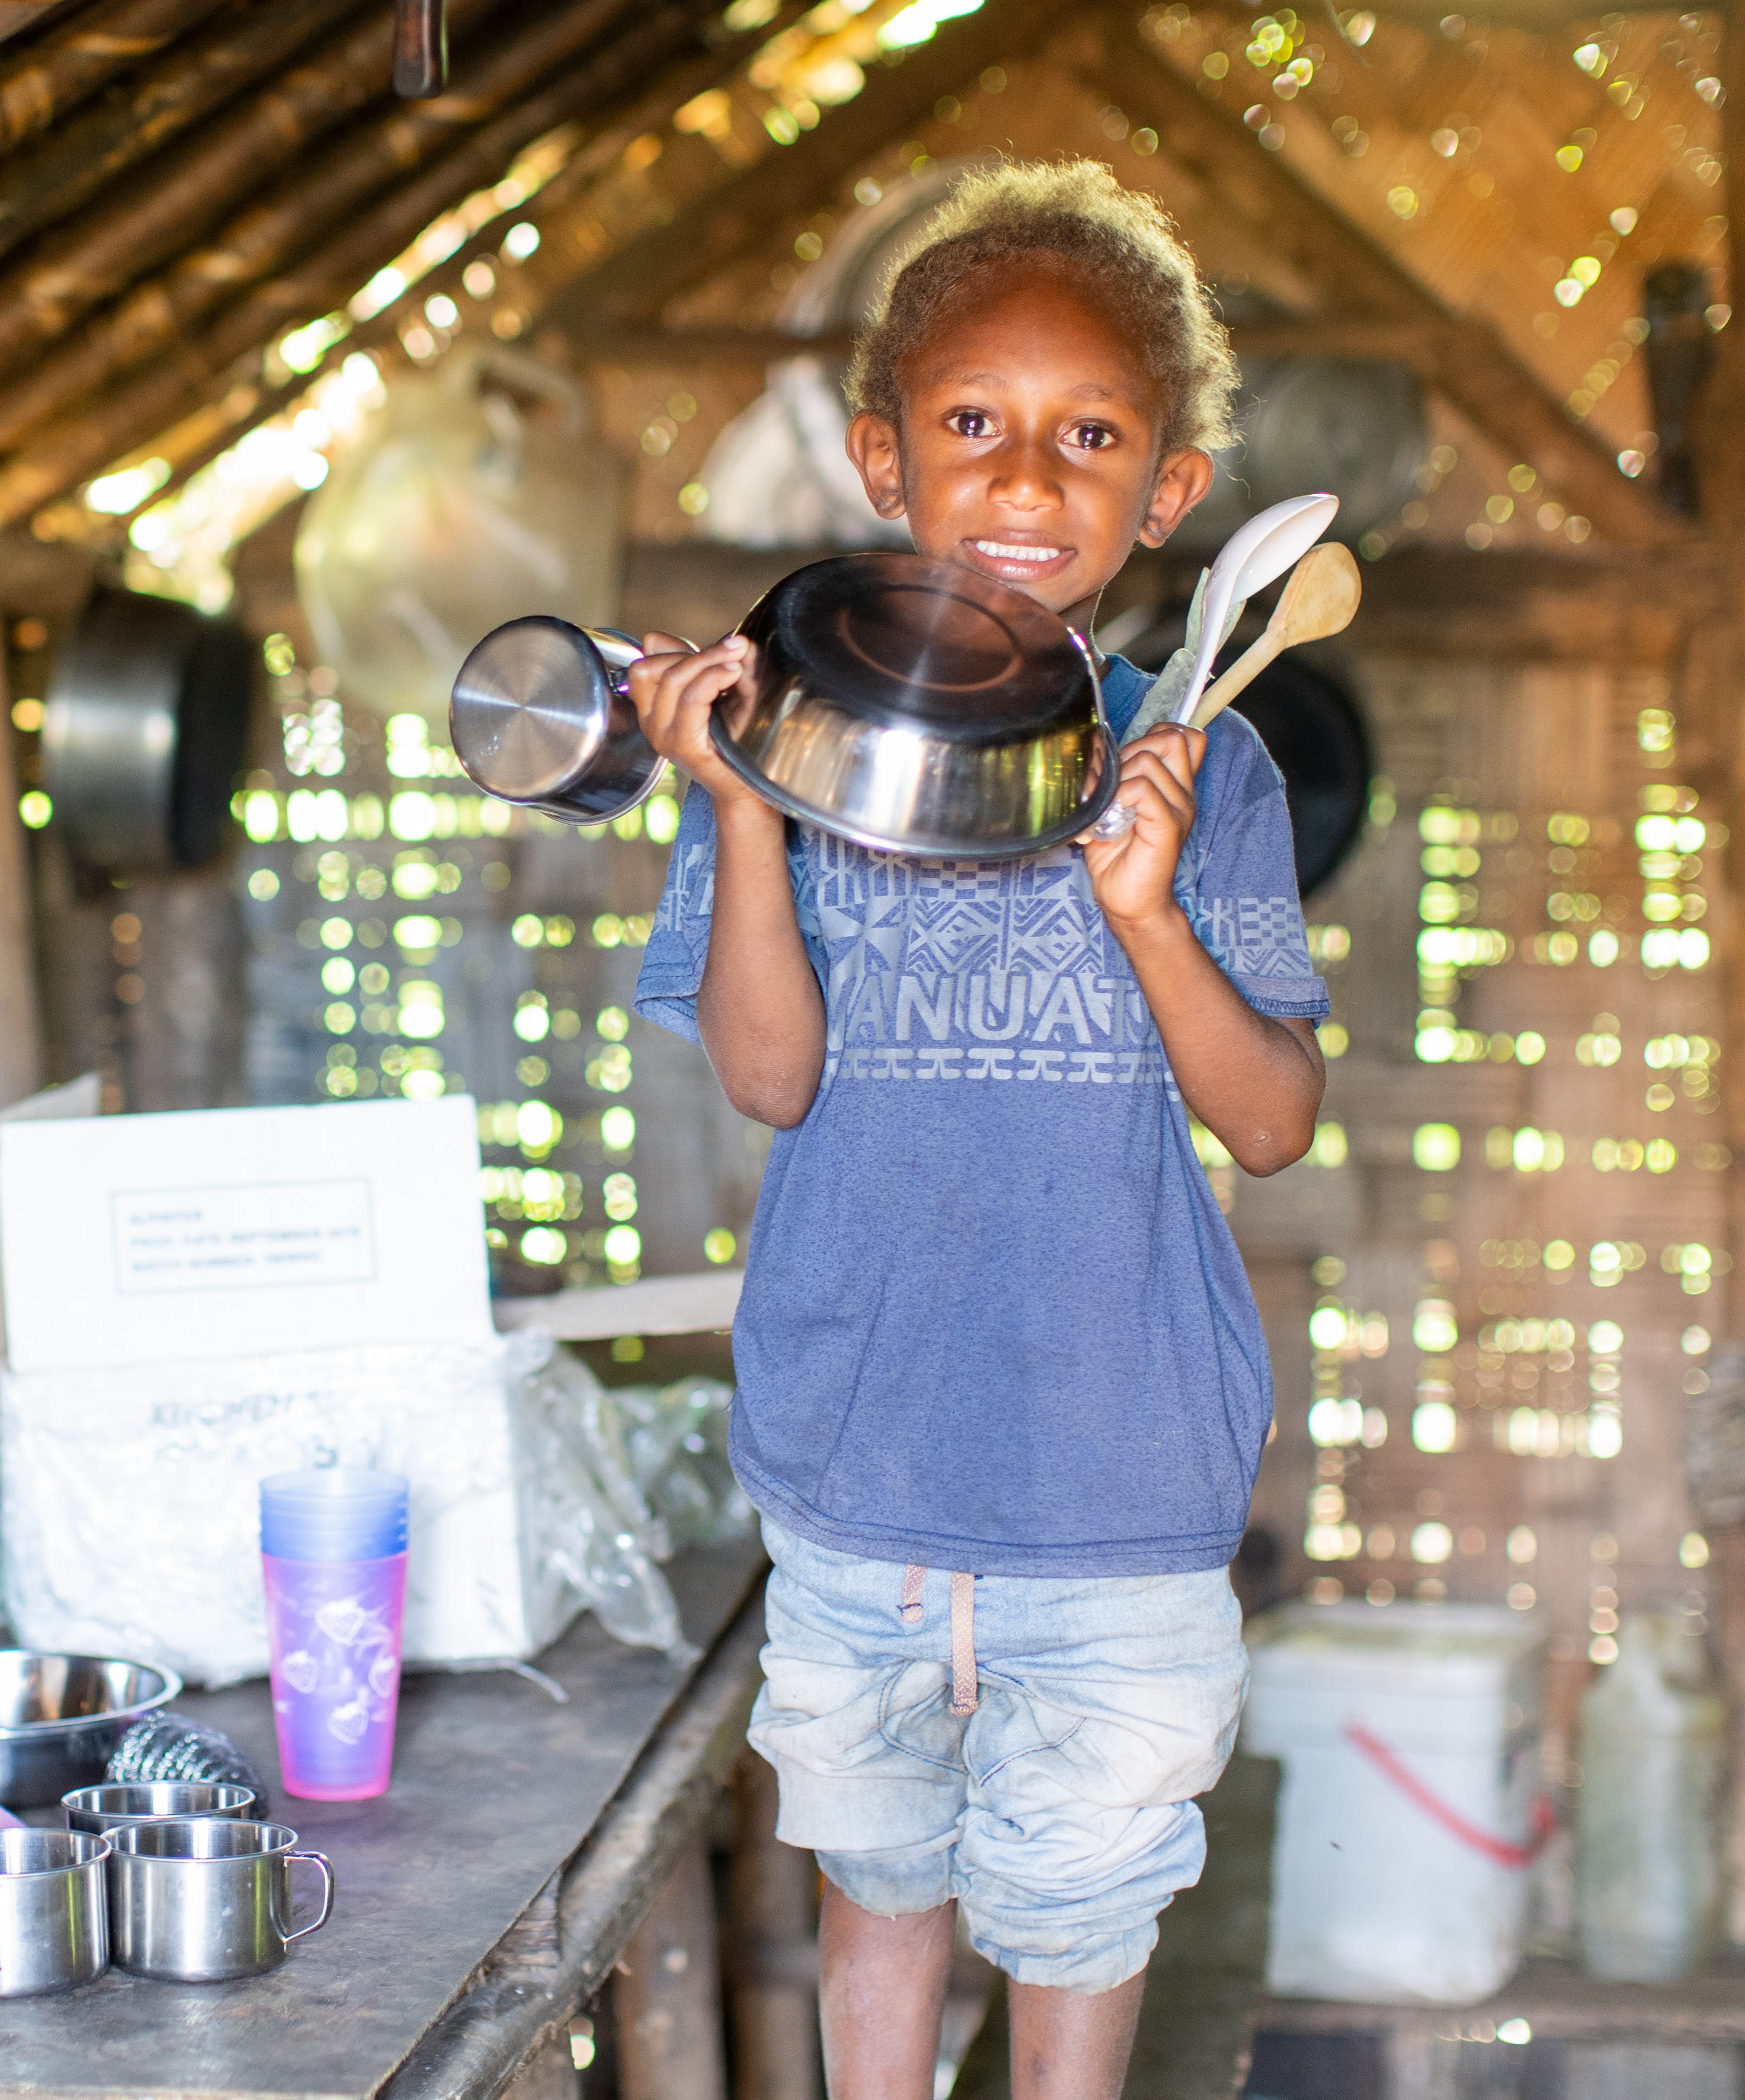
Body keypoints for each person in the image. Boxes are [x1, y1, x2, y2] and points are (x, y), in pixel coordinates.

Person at [628, 159, 1328, 2100]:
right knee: (880, 1873)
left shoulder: (1209, 765)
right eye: (973, 428)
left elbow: (1268, 1123)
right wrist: (748, 804)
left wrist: (1148, 911)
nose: (1027, 483)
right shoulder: (776, 743)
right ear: (883, 459)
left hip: (1115, 1491)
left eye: (1089, 436)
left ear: (1165, 493)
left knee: (1087, 1907)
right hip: (857, 1462)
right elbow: (768, 1077)